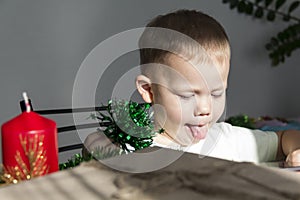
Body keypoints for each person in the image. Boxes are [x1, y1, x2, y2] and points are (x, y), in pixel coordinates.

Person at [83, 9, 300, 165]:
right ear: (149, 91)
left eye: (216, 93)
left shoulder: (225, 140)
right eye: (187, 96)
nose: (205, 108)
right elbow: (91, 152)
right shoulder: (133, 146)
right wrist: (99, 148)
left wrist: (296, 149)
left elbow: (284, 139)